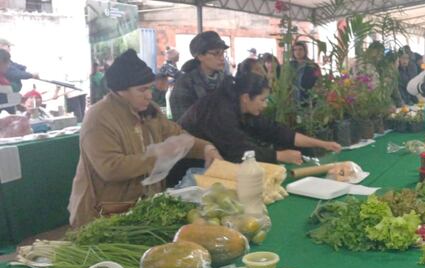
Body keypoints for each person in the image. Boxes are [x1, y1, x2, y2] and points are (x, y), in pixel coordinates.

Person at [68, 49, 221, 227]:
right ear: (120, 91)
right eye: (142, 90)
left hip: (142, 208)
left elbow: (177, 136)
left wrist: (206, 148)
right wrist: (158, 157)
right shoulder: (98, 117)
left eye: (149, 87)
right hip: (104, 213)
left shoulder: (150, 110)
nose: (149, 95)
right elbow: (110, 168)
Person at [180, 72, 341, 165]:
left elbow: (275, 131)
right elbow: (238, 150)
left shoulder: (241, 104)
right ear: (246, 97)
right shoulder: (221, 111)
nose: (265, 105)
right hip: (187, 166)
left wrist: (323, 144)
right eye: (262, 100)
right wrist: (280, 156)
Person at [169, 31, 228, 121]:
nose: (222, 58)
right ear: (200, 56)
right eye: (216, 53)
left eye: (223, 53)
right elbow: (183, 121)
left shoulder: (225, 80)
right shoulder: (185, 84)